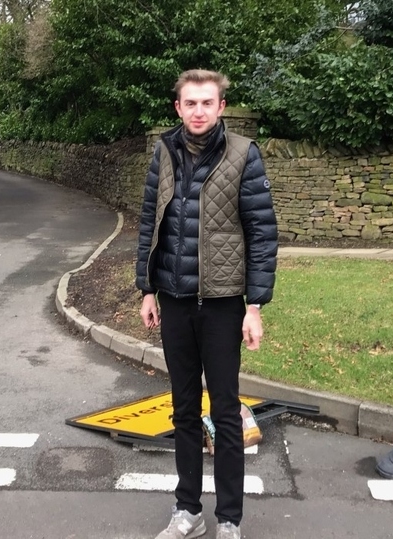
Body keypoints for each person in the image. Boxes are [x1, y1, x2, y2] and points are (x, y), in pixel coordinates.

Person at [136, 69, 278, 539]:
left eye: (207, 103)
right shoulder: (164, 151)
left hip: (221, 305)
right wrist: (147, 289)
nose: (198, 111)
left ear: (221, 107)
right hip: (173, 300)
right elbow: (148, 221)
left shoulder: (243, 155)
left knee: (224, 412)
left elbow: (262, 233)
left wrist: (254, 306)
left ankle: (230, 521)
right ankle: (188, 512)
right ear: (178, 107)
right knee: (181, 410)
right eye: (189, 103)